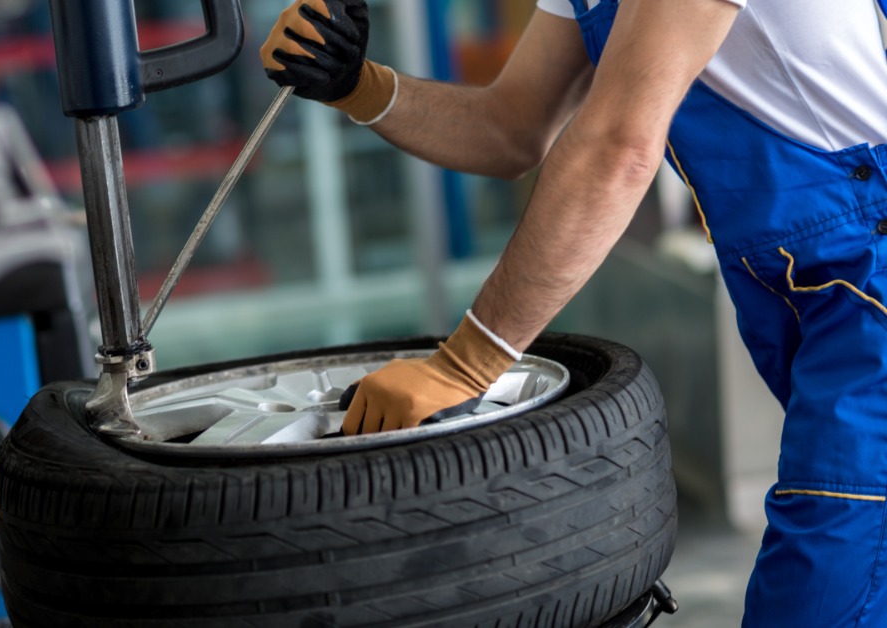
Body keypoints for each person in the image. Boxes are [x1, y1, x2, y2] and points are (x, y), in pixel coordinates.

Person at [261, 0, 887, 625]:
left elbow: (620, 145)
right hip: (803, 288)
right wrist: (357, 84)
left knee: (821, 588)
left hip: (868, 274)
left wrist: (465, 365)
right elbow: (509, 130)